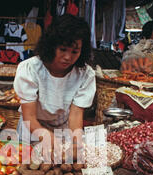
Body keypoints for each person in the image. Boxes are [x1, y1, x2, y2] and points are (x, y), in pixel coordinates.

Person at [13, 14, 96, 152]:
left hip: (62, 129)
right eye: (63, 49)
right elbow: (29, 117)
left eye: (75, 51)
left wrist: (76, 144)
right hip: (31, 129)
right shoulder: (31, 69)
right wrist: (45, 135)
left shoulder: (85, 75)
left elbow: (75, 115)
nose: (68, 57)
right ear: (52, 46)